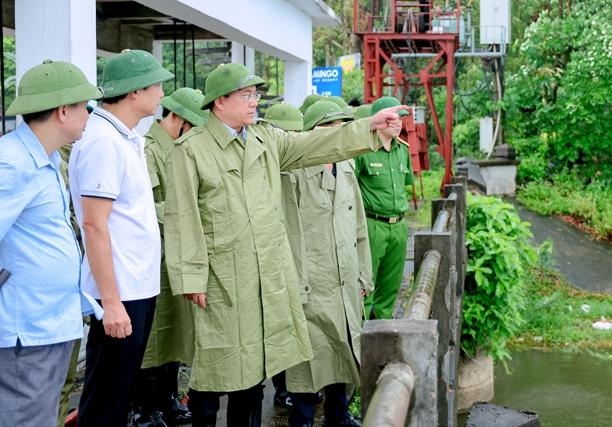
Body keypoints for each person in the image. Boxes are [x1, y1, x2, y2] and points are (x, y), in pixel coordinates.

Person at [162, 63, 407, 427]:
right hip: (220, 279)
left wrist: (367, 126)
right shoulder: (192, 150)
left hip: (264, 275)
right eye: (246, 95)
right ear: (220, 102)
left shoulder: (265, 139)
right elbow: (182, 218)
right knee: (214, 369)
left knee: (255, 370)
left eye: (255, 95)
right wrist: (191, 277)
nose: (254, 102)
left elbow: (315, 143)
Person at [68, 49, 174, 427]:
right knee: (105, 400)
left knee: (118, 393)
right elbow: (95, 225)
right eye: (157, 85)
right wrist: (111, 304)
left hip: (135, 287)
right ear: (134, 92)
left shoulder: (125, 137)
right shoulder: (103, 142)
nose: (162, 93)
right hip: (119, 291)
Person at [0, 60, 103, 427]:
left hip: (49, 323)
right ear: (63, 111)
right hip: (27, 330)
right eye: (84, 107)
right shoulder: (12, 163)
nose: (89, 115)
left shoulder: (43, 159)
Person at [280, 100, 373, 427]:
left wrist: (364, 274)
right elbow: (286, 230)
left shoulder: (346, 167)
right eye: (330, 128)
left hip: (345, 278)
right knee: (308, 357)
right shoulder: (295, 171)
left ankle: (339, 415)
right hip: (312, 281)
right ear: (312, 133)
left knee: (344, 348)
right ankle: (302, 418)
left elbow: (358, 225)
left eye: (341, 128)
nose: (337, 135)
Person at [131, 87, 208, 426]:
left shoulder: (180, 148)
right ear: (176, 118)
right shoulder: (148, 151)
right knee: (155, 336)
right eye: (191, 125)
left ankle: (168, 399)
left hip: (178, 251)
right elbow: (147, 207)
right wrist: (187, 213)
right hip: (155, 254)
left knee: (176, 330)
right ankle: (146, 408)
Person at [259, 101, 304, 412]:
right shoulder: (262, 168)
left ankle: (294, 388)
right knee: (273, 327)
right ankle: (280, 389)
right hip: (269, 256)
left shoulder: (302, 166)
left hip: (298, 258)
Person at [356, 96, 414, 319]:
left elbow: (403, 187)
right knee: (366, 286)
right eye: (393, 119)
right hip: (372, 225)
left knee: (390, 288)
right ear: (380, 121)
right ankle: (361, 341)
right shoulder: (363, 150)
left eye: (401, 119)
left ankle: (383, 337)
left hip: (398, 225)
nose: (398, 123)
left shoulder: (402, 150)